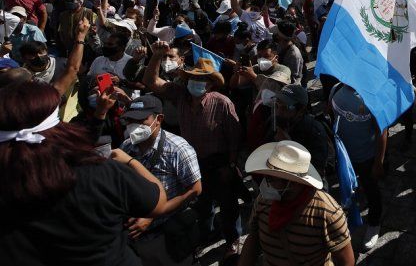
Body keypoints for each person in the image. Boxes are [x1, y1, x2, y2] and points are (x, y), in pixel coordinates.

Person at [0, 80, 171, 265]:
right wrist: (130, 161)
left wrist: (100, 112)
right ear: (58, 126)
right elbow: (158, 202)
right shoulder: (99, 173)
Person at [142, 45, 243, 258]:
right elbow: (151, 82)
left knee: (227, 206)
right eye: (193, 78)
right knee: (201, 205)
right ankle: (204, 236)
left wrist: (231, 165)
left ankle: (233, 240)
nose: (196, 82)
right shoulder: (180, 96)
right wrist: (157, 56)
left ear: (211, 84)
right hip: (193, 162)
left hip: (220, 163)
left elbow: (235, 138)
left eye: (202, 79)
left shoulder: (222, 103)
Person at [238, 140, 354, 266]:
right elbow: (253, 240)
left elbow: (346, 261)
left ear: (291, 182)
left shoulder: (327, 213)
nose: (266, 184)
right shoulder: (262, 201)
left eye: (271, 178)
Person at [120, 95, 203, 266]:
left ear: (159, 119)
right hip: (135, 239)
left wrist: (157, 212)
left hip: (168, 236)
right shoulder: (126, 147)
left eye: (140, 120)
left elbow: (195, 189)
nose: (133, 126)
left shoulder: (178, 149)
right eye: (129, 120)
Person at [330, 83, 387, 251]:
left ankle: (374, 223)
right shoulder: (335, 90)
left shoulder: (372, 97)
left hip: (367, 158)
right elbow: (331, 114)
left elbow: (382, 133)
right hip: (345, 157)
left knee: (371, 190)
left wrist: (379, 162)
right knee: (347, 190)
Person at [272, 84, 329, 176]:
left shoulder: (314, 131)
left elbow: (317, 171)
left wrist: (289, 147)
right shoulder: (277, 120)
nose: (278, 112)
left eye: (286, 107)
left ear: (301, 110)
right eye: (277, 105)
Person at [272, 20, 304, 85]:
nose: (275, 33)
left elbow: (292, 79)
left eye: (277, 32)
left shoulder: (294, 55)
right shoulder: (280, 45)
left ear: (281, 35)